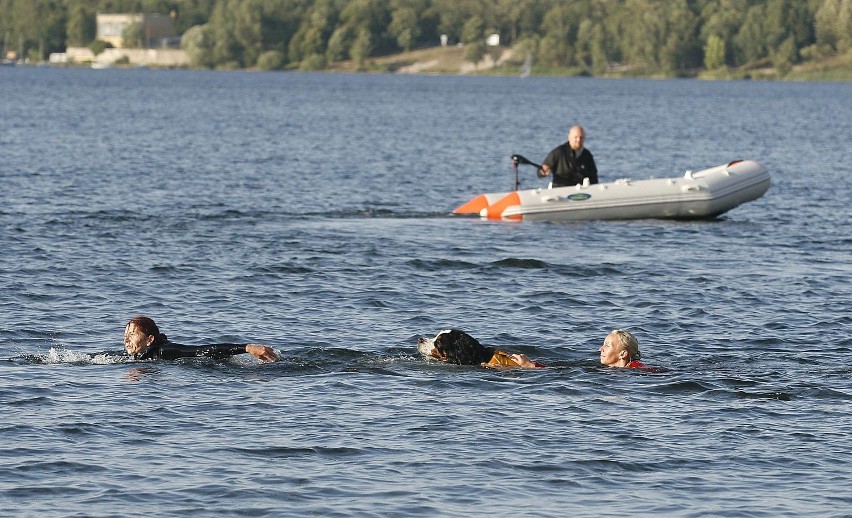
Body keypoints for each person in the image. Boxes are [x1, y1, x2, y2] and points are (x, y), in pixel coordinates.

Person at [124, 315, 277, 362]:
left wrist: (247, 348)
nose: (126, 340)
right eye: (125, 335)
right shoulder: (141, 355)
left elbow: (203, 350)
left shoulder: (164, 351)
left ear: (149, 340)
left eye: (132, 335)